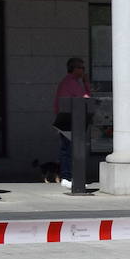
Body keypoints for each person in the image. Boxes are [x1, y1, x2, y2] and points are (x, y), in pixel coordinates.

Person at [53, 57, 90, 189]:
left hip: (67, 119)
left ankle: (70, 177)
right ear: (74, 69)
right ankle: (67, 176)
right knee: (69, 150)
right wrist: (86, 83)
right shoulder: (71, 82)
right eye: (81, 67)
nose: (83, 70)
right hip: (69, 120)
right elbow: (85, 99)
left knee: (68, 149)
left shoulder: (69, 82)